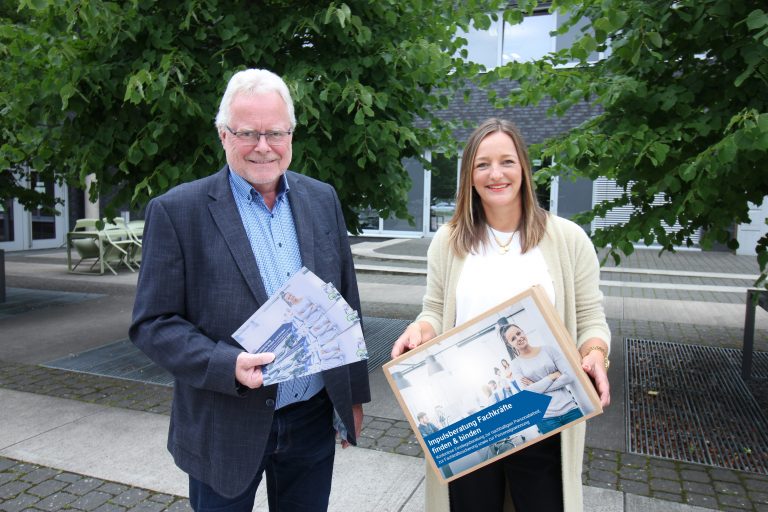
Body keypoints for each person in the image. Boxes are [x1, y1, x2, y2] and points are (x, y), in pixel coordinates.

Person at [130, 68, 370, 512]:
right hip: (224, 421)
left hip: (312, 418)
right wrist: (226, 364)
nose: (264, 146)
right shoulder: (176, 211)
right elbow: (152, 324)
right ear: (224, 136)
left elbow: (345, 304)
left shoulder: (322, 199)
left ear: (291, 135)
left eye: (275, 132)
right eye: (248, 133)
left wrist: (351, 396)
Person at [391, 118, 610, 512]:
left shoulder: (568, 239)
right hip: (470, 414)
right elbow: (435, 309)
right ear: (469, 177)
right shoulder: (449, 240)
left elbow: (592, 317)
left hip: (543, 410)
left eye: (506, 161)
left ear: (524, 167)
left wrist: (595, 352)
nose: (496, 174)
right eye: (482, 164)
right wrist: (420, 328)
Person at [498, 320, 583, 434]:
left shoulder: (548, 350)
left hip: (570, 409)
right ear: (509, 344)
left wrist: (536, 386)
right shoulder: (515, 364)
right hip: (545, 418)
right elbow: (527, 392)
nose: (518, 338)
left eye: (518, 333)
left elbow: (569, 376)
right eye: (513, 338)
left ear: (523, 332)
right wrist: (552, 376)